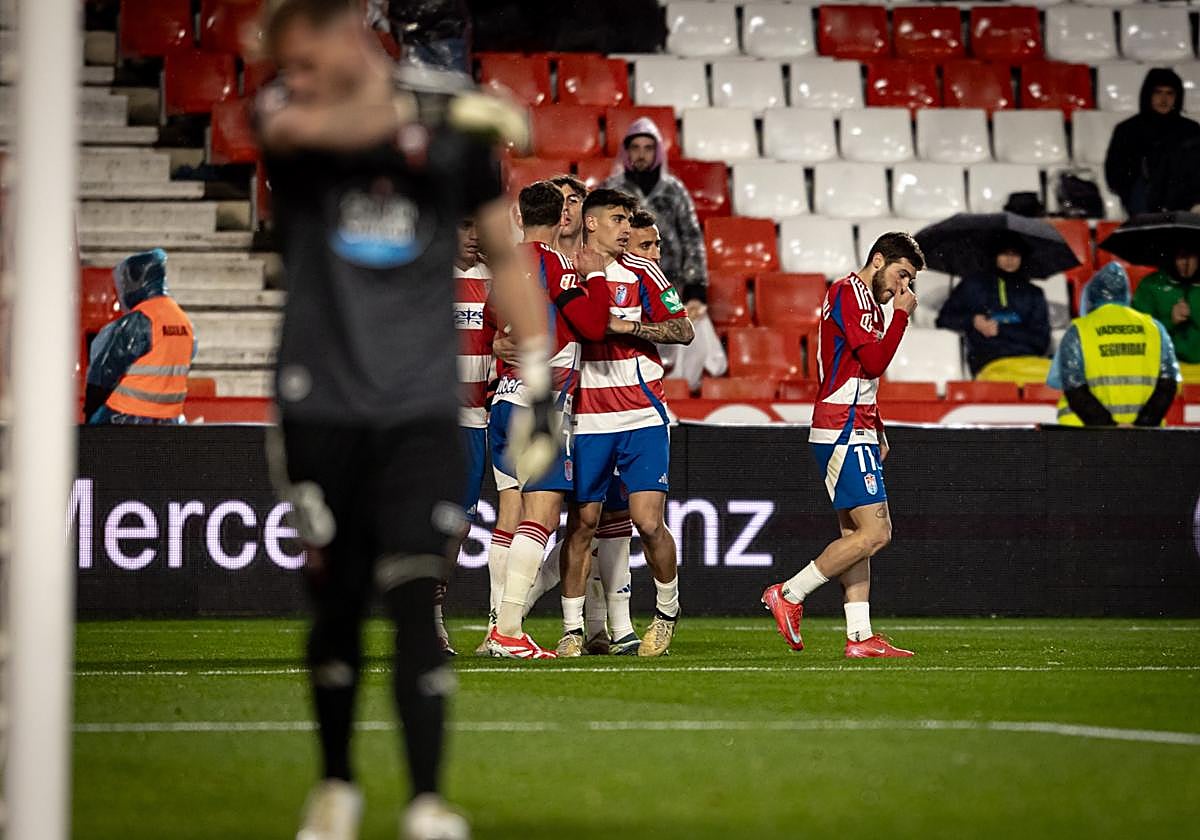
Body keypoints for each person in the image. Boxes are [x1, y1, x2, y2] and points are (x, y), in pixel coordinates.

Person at [255, 2, 557, 837]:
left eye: (306, 60)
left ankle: (426, 801)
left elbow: (506, 254)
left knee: (416, 589)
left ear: (347, 30)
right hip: (320, 402)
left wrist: (537, 374)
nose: (295, 80)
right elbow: (298, 128)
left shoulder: (453, 132)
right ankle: (336, 786)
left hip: (421, 408)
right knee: (338, 603)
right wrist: (430, 108)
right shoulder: (290, 113)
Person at [762, 233, 922, 659]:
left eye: (909, 281)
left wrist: (878, 426)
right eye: (901, 274)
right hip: (843, 426)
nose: (903, 287)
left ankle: (859, 636)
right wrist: (901, 317)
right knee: (877, 532)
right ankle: (789, 593)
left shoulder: (864, 301)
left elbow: (860, 375)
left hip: (855, 424)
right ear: (878, 260)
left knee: (855, 535)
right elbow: (873, 362)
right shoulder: (848, 292)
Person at [560, 188, 695, 658]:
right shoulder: (567, 268)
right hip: (587, 415)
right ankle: (572, 629)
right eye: (617, 219)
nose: (625, 229)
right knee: (582, 523)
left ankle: (666, 613)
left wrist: (628, 327)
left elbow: (683, 329)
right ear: (591, 223)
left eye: (626, 220)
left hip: (641, 411)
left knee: (648, 522)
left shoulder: (642, 271)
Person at [484, 180, 613, 660]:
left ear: (519, 217)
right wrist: (595, 277)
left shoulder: (503, 265)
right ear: (562, 217)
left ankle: (495, 626)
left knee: (509, 517)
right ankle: (509, 631)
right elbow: (593, 326)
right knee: (540, 518)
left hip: (503, 400)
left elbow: (494, 319)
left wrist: (500, 341)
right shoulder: (556, 264)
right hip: (541, 401)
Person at [1049, 263, 1181, 427]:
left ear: (1092, 293)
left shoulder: (1079, 330)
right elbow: (1168, 383)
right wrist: (1142, 425)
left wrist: (1110, 428)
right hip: (1143, 436)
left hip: (1086, 433)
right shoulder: (1155, 328)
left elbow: (1073, 386)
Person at [84, 248, 196, 426]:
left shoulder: (141, 319)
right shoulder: (183, 320)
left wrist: (91, 414)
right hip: (170, 418)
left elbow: (104, 373)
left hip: (126, 415)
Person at [603, 117, 707, 306]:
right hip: (622, 286)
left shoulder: (674, 190)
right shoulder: (610, 191)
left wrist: (695, 291)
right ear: (627, 152)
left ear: (657, 151)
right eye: (635, 148)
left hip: (671, 286)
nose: (641, 154)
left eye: (648, 148)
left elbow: (691, 239)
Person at [450, 215, 494, 656]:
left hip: (480, 419)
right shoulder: (427, 280)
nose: (474, 235)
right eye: (464, 226)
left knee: (459, 527)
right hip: (434, 420)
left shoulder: (497, 280)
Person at [934, 233, 1051, 378]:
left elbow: (1041, 341)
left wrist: (1001, 330)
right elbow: (944, 320)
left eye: (1015, 254)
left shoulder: (1034, 293)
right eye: (1004, 253)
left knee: (1059, 381)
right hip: (989, 362)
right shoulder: (973, 285)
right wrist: (973, 321)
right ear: (994, 255)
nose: (1010, 259)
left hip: (1030, 363)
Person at [1104, 67, 1200, 217]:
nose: (1164, 99)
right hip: (1142, 202)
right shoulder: (1128, 130)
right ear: (1148, 95)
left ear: (1177, 97)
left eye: (1170, 93)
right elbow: (1115, 173)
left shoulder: (1191, 130)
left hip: (1184, 203)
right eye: (1158, 92)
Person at [1133, 246, 1200, 371]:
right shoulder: (1151, 284)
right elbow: (1137, 332)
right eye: (1180, 256)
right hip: (1163, 369)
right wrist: (1169, 320)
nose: (1185, 263)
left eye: (1191, 255)